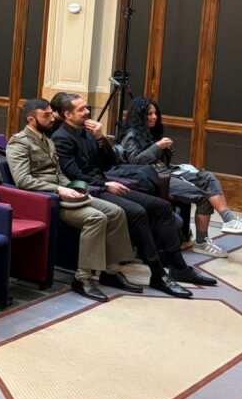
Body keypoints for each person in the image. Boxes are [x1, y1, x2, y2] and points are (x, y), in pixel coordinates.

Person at [52, 93, 210, 295]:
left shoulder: (87, 132)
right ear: (68, 115)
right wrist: (105, 185)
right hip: (88, 190)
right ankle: (158, 273)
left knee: (162, 206)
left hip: (103, 183)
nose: (87, 112)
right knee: (136, 211)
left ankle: (179, 268)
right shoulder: (61, 138)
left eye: (86, 107)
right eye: (81, 109)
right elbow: (72, 175)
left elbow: (111, 162)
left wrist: (100, 138)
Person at [6, 98, 138, 302]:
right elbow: (23, 180)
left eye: (51, 113)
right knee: (96, 218)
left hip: (63, 193)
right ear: (31, 120)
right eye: (46, 115)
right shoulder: (19, 142)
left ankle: (111, 271)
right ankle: (82, 278)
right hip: (45, 200)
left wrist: (76, 187)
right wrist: (59, 189)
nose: (52, 118)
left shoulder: (47, 140)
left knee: (116, 212)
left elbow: (59, 174)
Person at [120, 97, 242, 257]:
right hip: (154, 179)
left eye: (155, 113)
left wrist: (164, 150)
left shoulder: (149, 133)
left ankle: (229, 219)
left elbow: (160, 161)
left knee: (208, 177)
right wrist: (157, 147)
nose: (154, 117)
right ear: (139, 115)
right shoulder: (132, 135)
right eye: (149, 114)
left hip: (166, 172)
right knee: (203, 196)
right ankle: (202, 242)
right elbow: (135, 162)